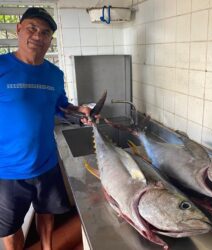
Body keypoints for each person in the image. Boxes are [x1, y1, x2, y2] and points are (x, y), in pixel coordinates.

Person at [0, 7, 91, 250]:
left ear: (50, 39)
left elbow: (60, 106)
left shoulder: (54, 74)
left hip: (46, 163)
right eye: (32, 28)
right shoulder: (1, 66)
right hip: (7, 170)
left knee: (47, 213)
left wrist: (79, 110)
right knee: (9, 228)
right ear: (19, 29)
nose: (38, 36)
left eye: (45, 32)